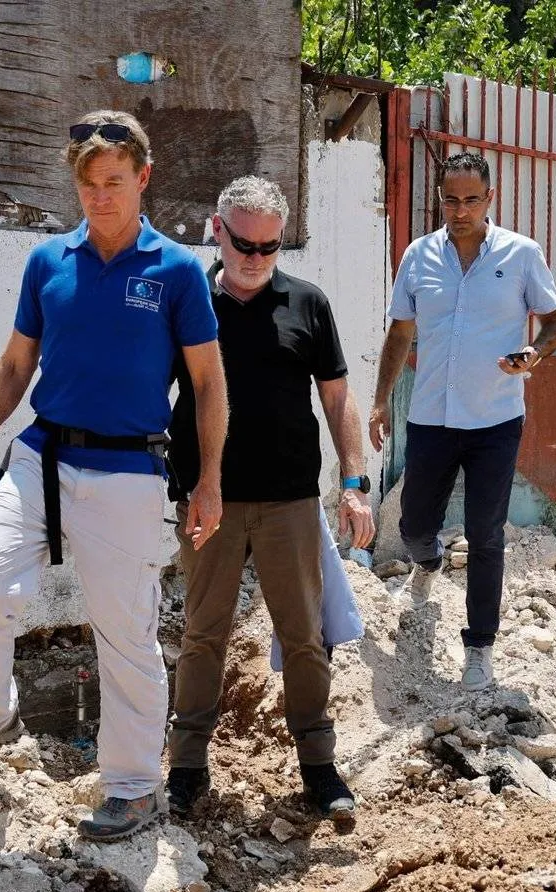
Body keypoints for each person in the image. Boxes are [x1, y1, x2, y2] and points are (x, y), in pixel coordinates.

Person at [0, 110, 229, 843]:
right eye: (88, 183)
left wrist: (208, 479)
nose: (100, 197)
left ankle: (131, 788)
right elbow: (13, 366)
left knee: (124, 636)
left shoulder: (178, 271)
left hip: (128, 471)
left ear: (144, 178)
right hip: (40, 456)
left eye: (114, 183)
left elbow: (208, 385)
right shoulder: (47, 264)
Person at [165, 176, 375, 823]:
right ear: (216, 229)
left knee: (305, 637)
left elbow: (338, 400)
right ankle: (186, 769)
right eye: (243, 243)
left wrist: (354, 484)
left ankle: (318, 766)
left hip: (289, 502)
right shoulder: (188, 300)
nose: (255, 258)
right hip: (209, 501)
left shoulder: (307, 304)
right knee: (204, 635)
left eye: (270, 246)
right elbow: (151, 391)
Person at [369, 151, 556, 692]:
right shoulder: (419, 255)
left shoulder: (521, 255)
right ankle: (426, 564)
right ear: (440, 199)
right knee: (412, 526)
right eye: (450, 200)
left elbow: (554, 324)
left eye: (471, 200)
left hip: (497, 420)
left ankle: (479, 647)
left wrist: (534, 353)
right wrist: (381, 400)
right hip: (431, 417)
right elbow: (400, 333)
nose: (460, 210)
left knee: (485, 534)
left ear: (490, 199)